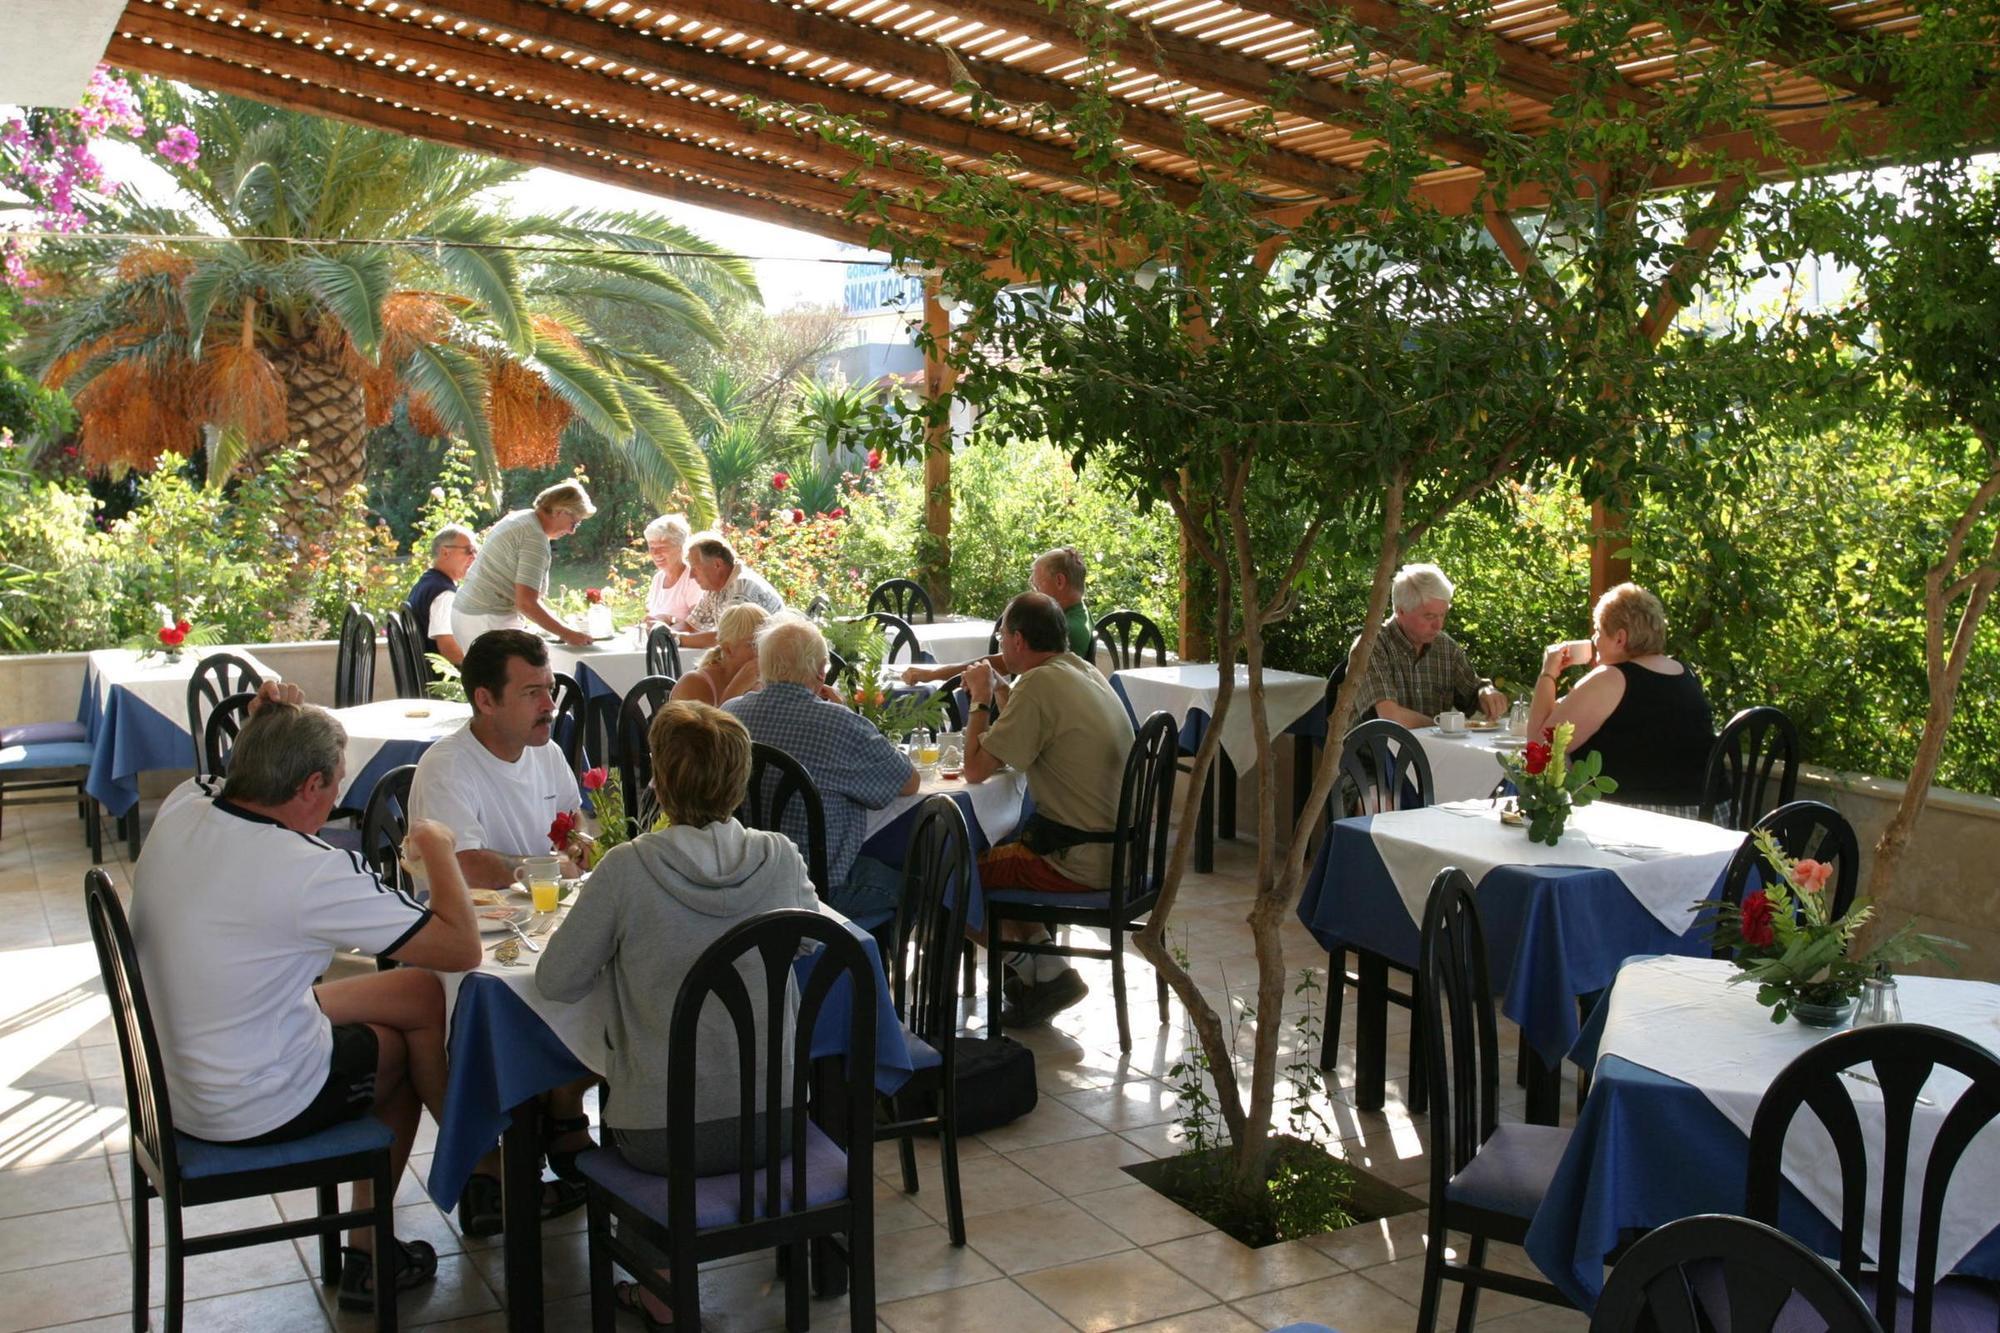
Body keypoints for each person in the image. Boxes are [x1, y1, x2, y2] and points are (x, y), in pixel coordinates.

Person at [130, 685, 481, 1311]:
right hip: (249, 1100)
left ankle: (477, 1161)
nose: (337, 801)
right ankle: (374, 1252)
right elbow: (461, 948)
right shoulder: (305, 868)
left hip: (180, 1070)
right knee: (393, 1053)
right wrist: (437, 848)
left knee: (416, 993)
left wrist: (265, 721)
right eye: (338, 786)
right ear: (311, 785)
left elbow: (220, 773)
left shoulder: (186, 805)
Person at [537, 700, 819, 1327]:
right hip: (775, 1121)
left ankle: (658, 1284)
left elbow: (556, 980)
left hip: (660, 1138)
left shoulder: (627, 870)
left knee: (647, 1096)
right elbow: (811, 936)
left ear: (659, 783)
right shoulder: (779, 857)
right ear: (740, 782)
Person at [406, 629, 594, 1231]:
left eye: (551, 689)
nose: (550, 705)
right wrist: (540, 866)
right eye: (533, 692)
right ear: (485, 700)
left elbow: (574, 828)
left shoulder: (547, 751)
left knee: (612, 969)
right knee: (497, 999)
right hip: (464, 935)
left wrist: (583, 846)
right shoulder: (448, 767)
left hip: (542, 920)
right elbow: (462, 866)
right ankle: (491, 1169)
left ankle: (565, 1114)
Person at [962, 591, 1135, 1025]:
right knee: (1004, 848)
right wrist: (1006, 697)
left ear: (1018, 640)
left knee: (949, 874)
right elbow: (1033, 736)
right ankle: (1051, 971)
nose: (999, 644)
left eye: (1002, 635)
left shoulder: (1039, 685)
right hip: (1120, 852)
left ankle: (1028, 968)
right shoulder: (1080, 670)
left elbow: (976, 769)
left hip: (1076, 859)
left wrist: (980, 700)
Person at [722, 612, 918, 921]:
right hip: (818, 887)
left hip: (744, 880)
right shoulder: (839, 723)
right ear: (821, 673)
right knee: (926, 881)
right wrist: (849, 716)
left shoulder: (729, 716)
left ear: (761, 666)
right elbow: (908, 782)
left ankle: (856, 960)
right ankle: (871, 962)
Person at [1528, 581, 1715, 813]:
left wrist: (1548, 673)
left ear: (1619, 638)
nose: (1594, 639)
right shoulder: (1685, 673)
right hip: (1710, 815)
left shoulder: (1611, 679)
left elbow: (1539, 745)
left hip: (1646, 819)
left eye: (1598, 630)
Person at [899, 546, 1097, 685]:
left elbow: (1003, 663)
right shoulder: (1080, 613)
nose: (1033, 589)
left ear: (1060, 581)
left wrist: (935, 674)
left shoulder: (1064, 627)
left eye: (1037, 585)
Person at [1350, 562, 1508, 728]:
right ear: (1401, 611)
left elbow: (1472, 690)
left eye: (1442, 615)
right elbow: (1390, 717)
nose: (1438, 625)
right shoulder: (1371, 646)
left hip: (1435, 750)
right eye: (1430, 616)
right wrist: (1444, 726)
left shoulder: (1446, 648)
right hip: (1375, 751)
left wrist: (1486, 694)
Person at [449, 481, 597, 648]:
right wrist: (567, 633)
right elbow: (526, 603)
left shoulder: (523, 519)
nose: (572, 531)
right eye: (574, 523)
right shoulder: (534, 538)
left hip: (471, 614)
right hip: (487, 619)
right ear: (560, 512)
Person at [675, 533, 786, 649]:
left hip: (773, 660)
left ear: (717, 564)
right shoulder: (714, 587)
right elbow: (692, 625)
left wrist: (677, 639)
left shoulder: (743, 586)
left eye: (696, 568)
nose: (691, 576)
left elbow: (727, 638)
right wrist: (665, 633)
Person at [405, 524, 478, 666]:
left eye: (476, 551)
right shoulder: (444, 595)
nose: (474, 557)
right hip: (442, 681)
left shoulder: (425, 583)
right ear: (445, 552)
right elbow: (449, 649)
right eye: (469, 550)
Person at [669, 602, 767, 707]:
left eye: (766, 642)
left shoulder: (763, 683)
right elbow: (714, 723)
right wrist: (737, 687)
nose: (764, 650)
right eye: (754, 644)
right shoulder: (693, 684)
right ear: (728, 649)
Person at [643, 513, 703, 626]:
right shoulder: (658, 578)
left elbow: (699, 625)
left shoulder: (693, 579)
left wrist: (668, 620)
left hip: (682, 643)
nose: (656, 554)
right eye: (652, 548)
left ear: (681, 548)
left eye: (662, 548)